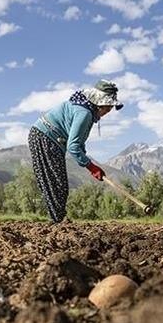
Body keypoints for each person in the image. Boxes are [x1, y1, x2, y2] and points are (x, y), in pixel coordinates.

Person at [28, 79, 123, 222]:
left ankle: (57, 221)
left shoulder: (86, 110)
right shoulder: (84, 113)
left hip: (48, 138)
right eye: (107, 107)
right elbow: (73, 146)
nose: (108, 111)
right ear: (99, 103)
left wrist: (88, 163)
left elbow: (78, 141)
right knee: (57, 185)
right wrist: (91, 167)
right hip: (45, 137)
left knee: (58, 185)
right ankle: (58, 223)